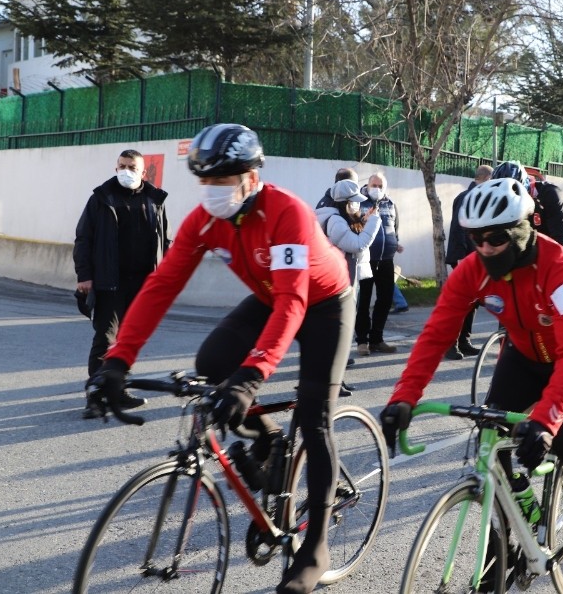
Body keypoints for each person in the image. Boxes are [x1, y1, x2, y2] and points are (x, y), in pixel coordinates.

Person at [86, 124, 353, 594]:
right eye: (204, 181)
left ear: (251, 177)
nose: (211, 191)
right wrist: (117, 361)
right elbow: (161, 286)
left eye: (222, 181)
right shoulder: (205, 221)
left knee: (315, 418)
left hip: (324, 303)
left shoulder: (285, 212)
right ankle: (269, 441)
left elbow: (295, 299)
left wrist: (254, 373)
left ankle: (315, 548)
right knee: (211, 364)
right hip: (273, 298)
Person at [379, 177, 563, 550]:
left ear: (522, 229)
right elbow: (436, 335)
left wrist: (546, 422)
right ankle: (502, 543)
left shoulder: (560, 269)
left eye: (497, 238)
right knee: (491, 437)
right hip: (522, 355)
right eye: (476, 239)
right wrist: (403, 396)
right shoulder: (473, 270)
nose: (486, 248)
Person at [74, 149, 171, 419]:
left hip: (143, 284)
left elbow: (166, 240)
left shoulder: (155, 200)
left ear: (143, 172)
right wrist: (84, 275)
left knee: (128, 341)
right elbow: (83, 238)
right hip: (109, 283)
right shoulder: (101, 198)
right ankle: (94, 396)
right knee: (105, 339)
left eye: (131, 166)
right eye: (121, 165)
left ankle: (119, 390)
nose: (126, 170)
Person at [315, 178, 381, 396]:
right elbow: (356, 244)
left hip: (341, 279)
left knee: (338, 334)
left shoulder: (336, 216)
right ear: (344, 203)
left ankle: (336, 381)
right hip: (335, 282)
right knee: (334, 334)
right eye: (353, 203)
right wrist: (374, 221)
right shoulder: (333, 220)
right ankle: (329, 383)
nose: (356, 206)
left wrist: (363, 220)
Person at [492, 161, 563, 269]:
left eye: (513, 197)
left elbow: (562, 240)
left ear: (525, 187)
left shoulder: (551, 194)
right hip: (543, 245)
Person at [444, 163, 494, 359]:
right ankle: (451, 344)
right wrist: (460, 259)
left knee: (472, 302)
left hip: (474, 257)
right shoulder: (468, 197)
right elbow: (458, 229)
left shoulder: (477, 196)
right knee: (462, 303)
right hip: (465, 257)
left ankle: (464, 341)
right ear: (486, 179)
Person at [356, 172, 403, 356]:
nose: (377, 189)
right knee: (364, 301)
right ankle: (362, 341)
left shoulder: (390, 204)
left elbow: (394, 227)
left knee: (385, 300)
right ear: (367, 185)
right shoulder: (358, 202)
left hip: (386, 260)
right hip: (366, 259)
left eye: (380, 186)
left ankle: (377, 339)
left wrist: (395, 243)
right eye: (373, 185)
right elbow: (354, 227)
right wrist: (363, 219)